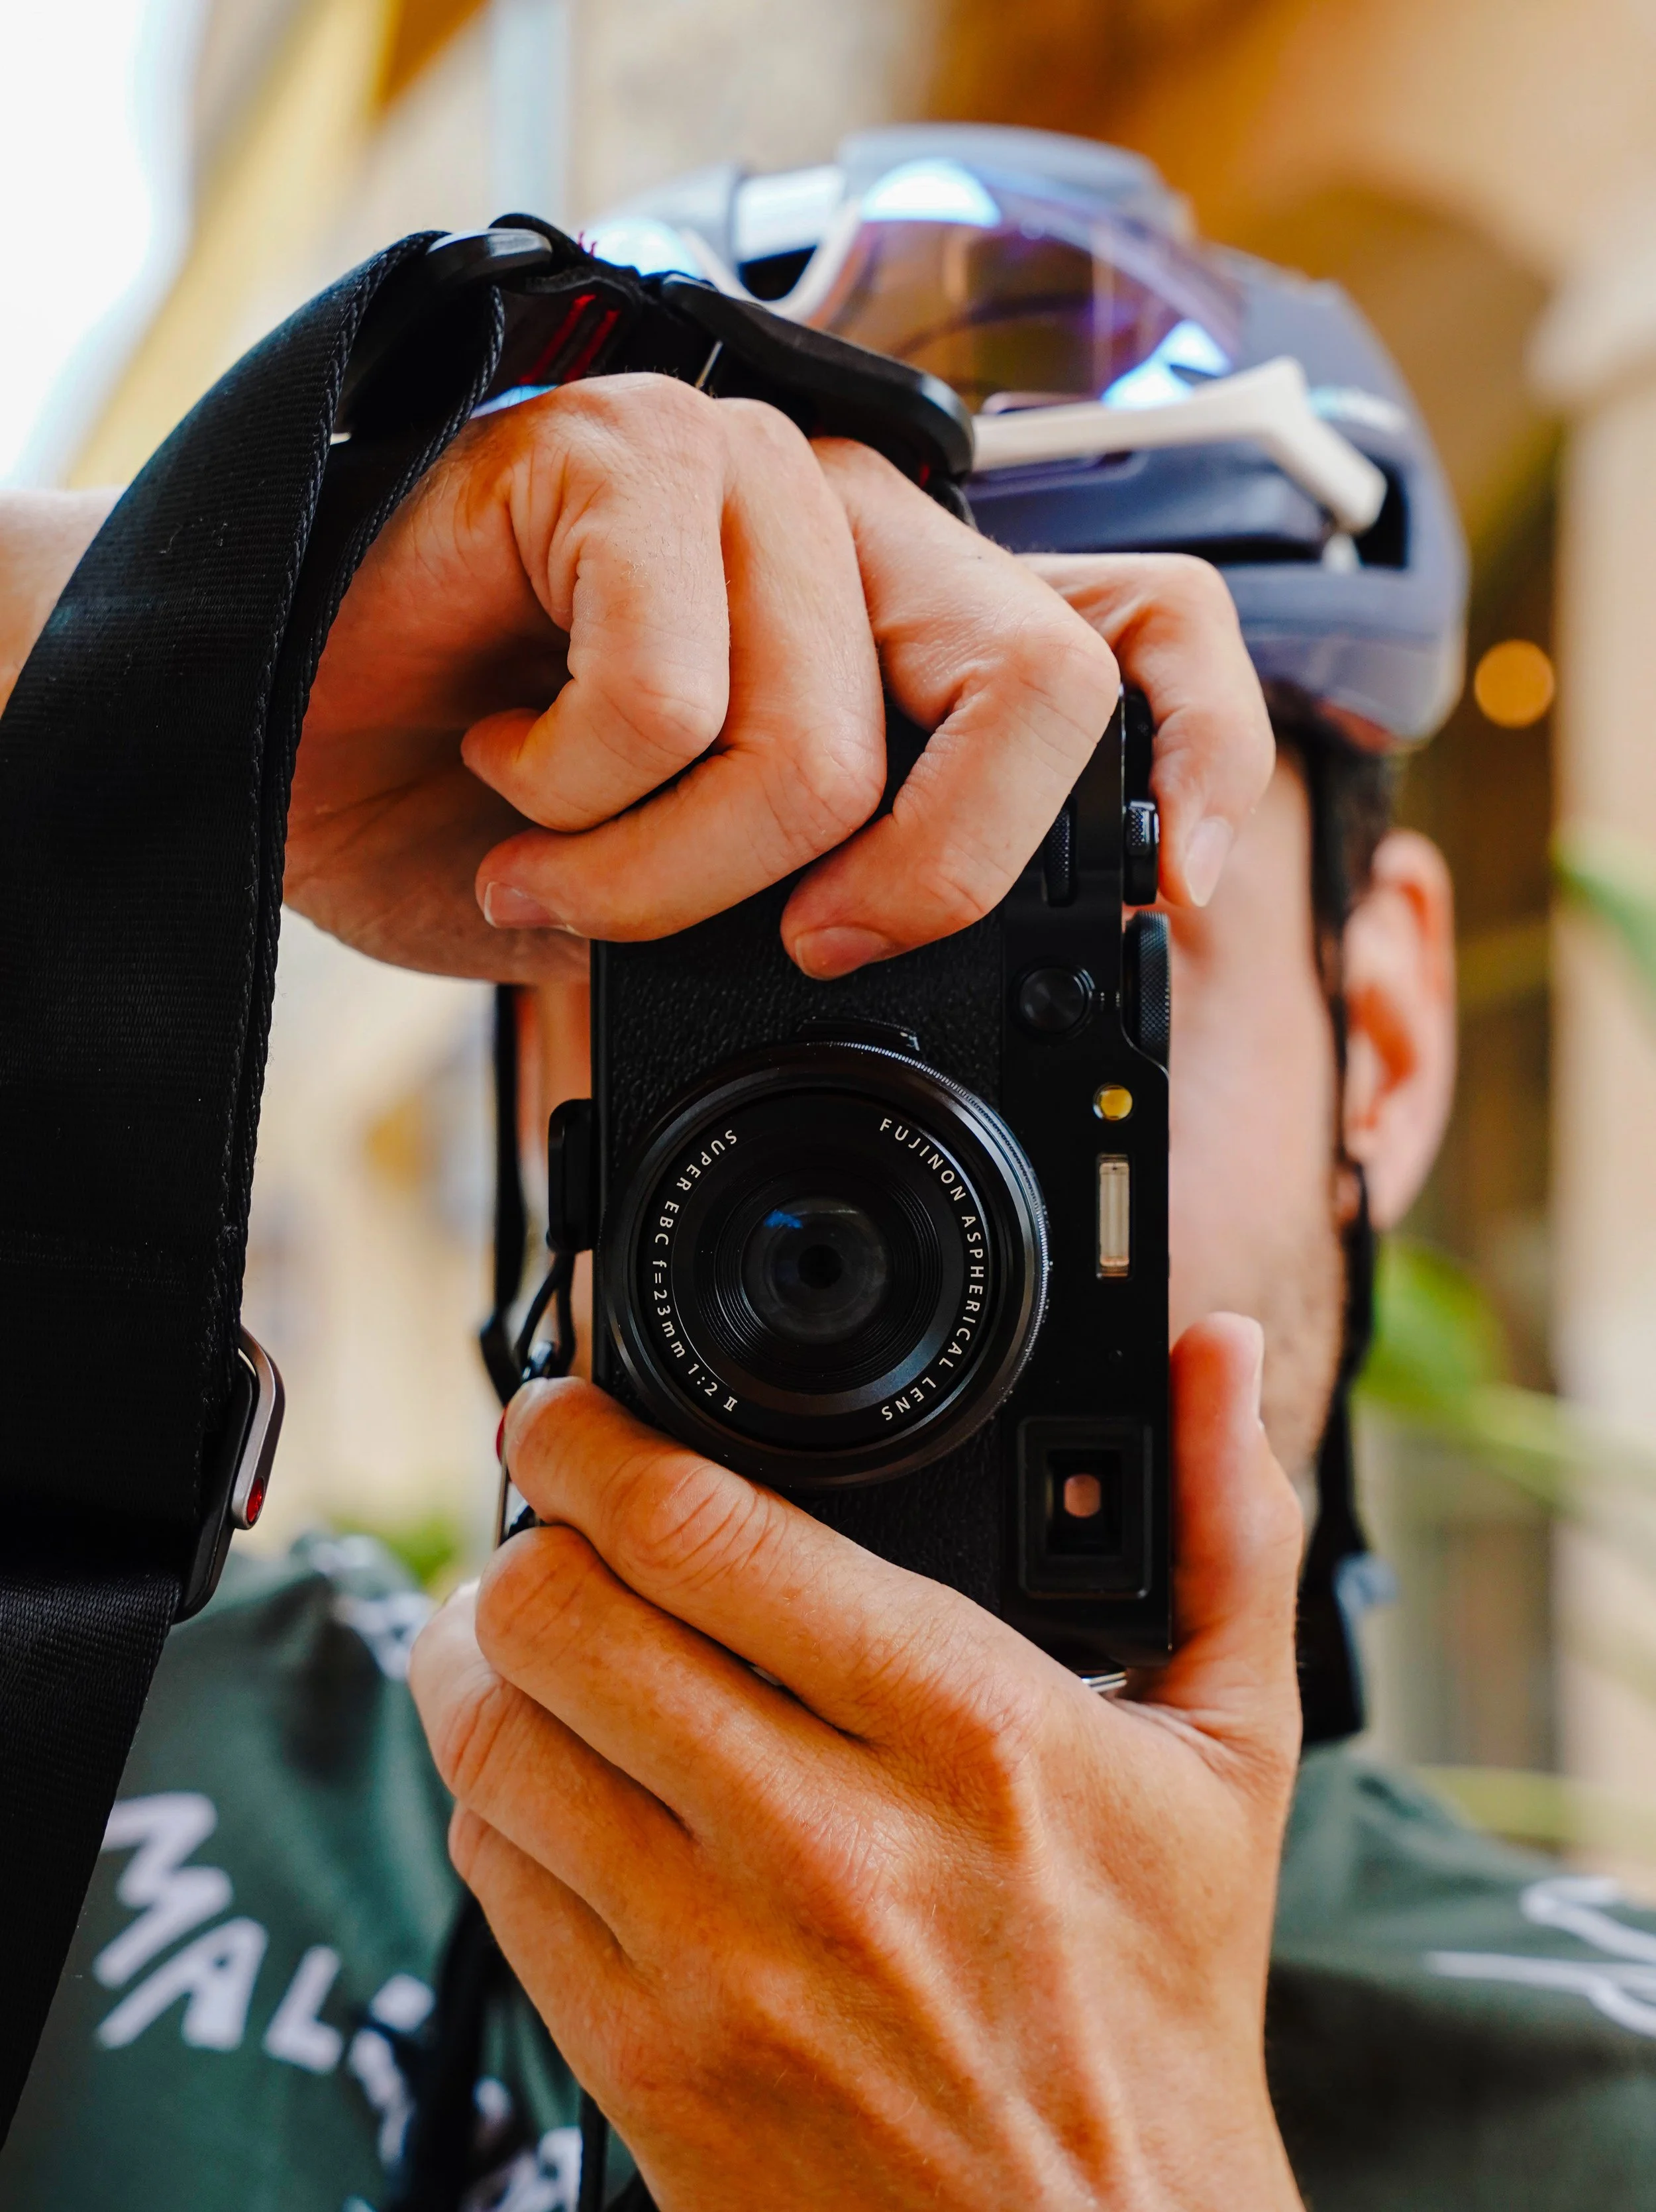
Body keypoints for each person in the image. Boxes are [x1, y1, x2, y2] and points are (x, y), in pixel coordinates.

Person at [3, 123, 1654, 2212]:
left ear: (1383, 1055)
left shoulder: (1599, 2114)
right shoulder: (94, 1740)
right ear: (525, 1019)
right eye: (716, 914)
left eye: (1074, 965)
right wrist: (156, 647)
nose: (867, 1124)